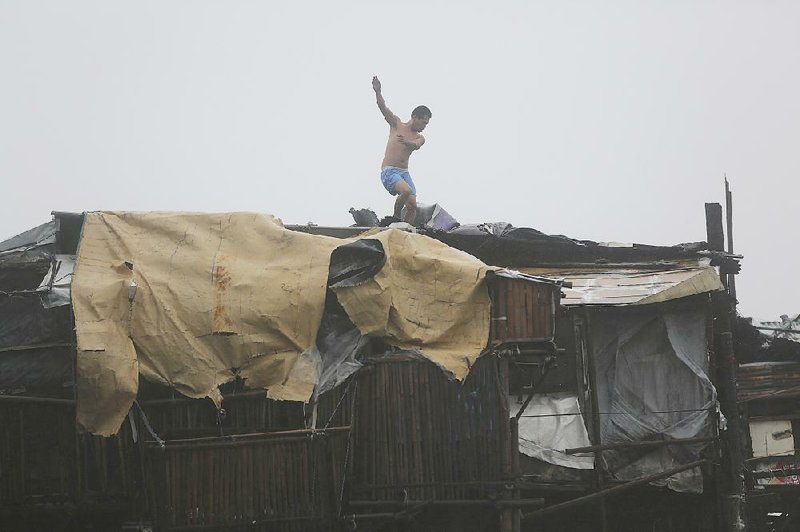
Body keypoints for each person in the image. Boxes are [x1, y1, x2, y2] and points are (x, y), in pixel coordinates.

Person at [372, 76, 431, 225]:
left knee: (412, 206)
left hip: (404, 173)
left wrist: (407, 142)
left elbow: (417, 145)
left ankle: (406, 230)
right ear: (415, 117)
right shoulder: (396, 125)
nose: (424, 126)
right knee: (405, 191)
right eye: (423, 122)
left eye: (427, 124)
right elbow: (382, 108)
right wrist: (378, 91)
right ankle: (396, 219)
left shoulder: (420, 137)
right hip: (389, 171)